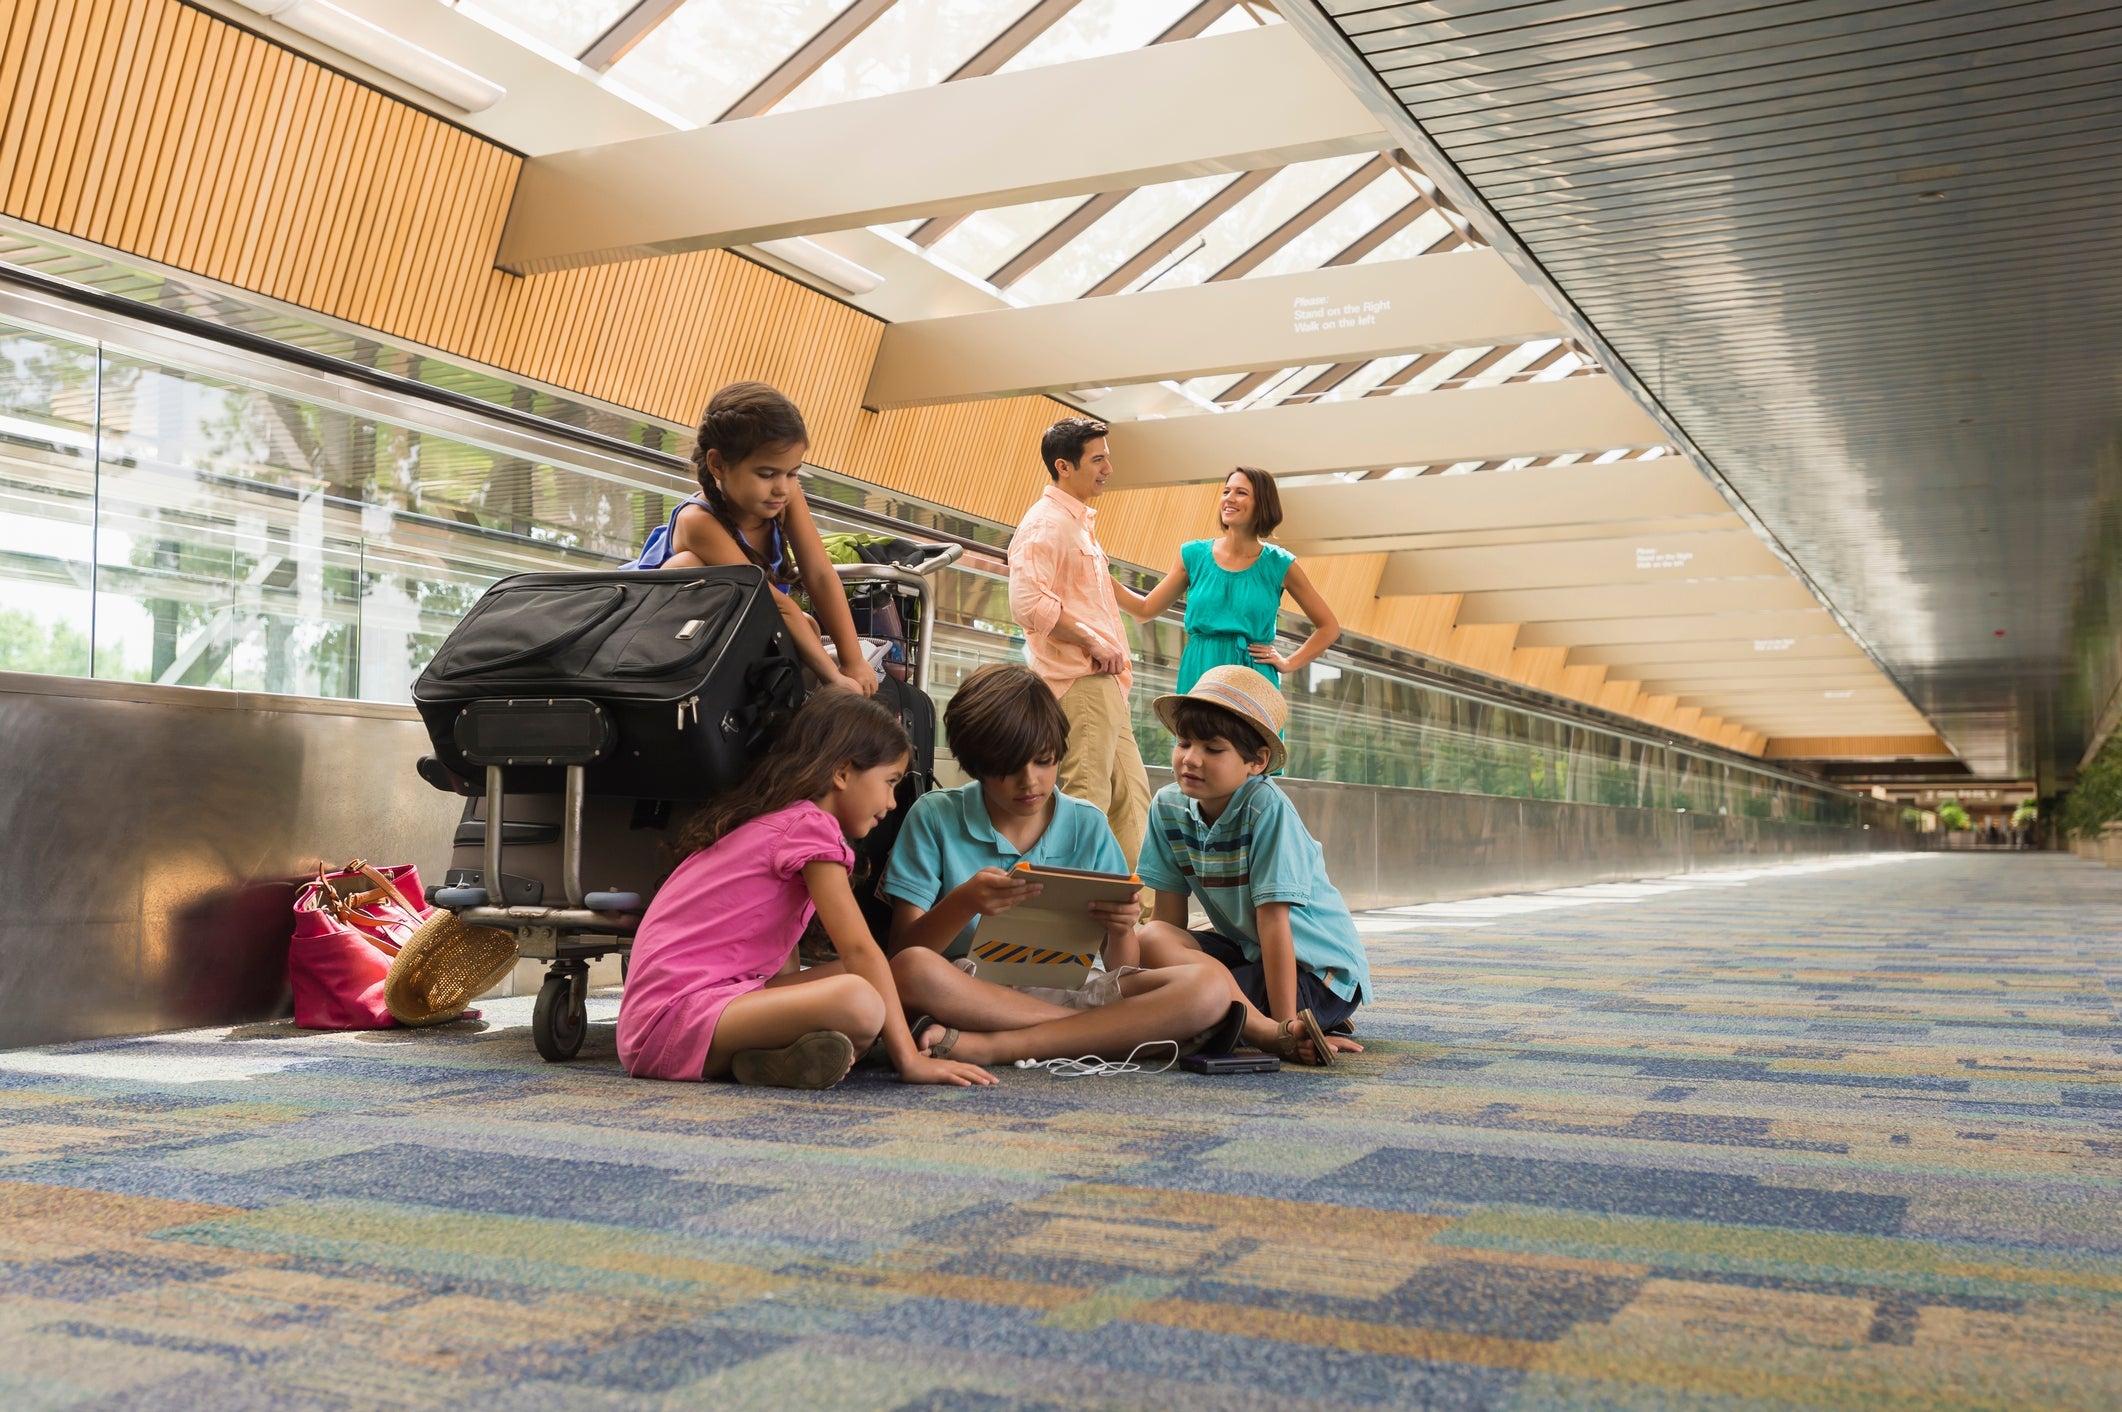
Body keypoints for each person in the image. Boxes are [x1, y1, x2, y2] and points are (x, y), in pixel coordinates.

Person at [616, 692, 992, 1090]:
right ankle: (797, 1051)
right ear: (843, 773)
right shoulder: (812, 827)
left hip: (683, 1016)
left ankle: (765, 1059)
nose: (892, 802)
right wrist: (910, 1062)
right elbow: (860, 951)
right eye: (889, 782)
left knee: (882, 981)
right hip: (671, 1022)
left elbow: (780, 960)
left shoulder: (783, 822)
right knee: (861, 1000)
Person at [880, 664, 1230, 1065]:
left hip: (1075, 987)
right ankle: (1104, 1033)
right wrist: (964, 903)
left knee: (1211, 986)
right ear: (974, 765)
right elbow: (902, 953)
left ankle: (1000, 1046)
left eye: (1044, 761)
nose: (1030, 782)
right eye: (1008, 770)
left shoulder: (1087, 823)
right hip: (972, 992)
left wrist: (1119, 931)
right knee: (910, 970)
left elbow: (1123, 966)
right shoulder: (934, 816)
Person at [1134, 666, 1369, 1067]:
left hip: (1314, 972)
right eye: (1183, 742)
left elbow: (1275, 926)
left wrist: (1287, 1026)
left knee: (1190, 1008)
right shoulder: (1168, 806)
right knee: (1151, 938)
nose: (1190, 759)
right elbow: (1168, 923)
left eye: (1212, 748)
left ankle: (1282, 1024)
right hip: (1249, 953)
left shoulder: (1266, 809)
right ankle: (1242, 1016)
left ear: (1257, 762)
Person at [626, 380, 876, 696]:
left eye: (793, 472)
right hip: (662, 637)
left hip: (745, 628)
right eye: (766, 474)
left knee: (806, 626)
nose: (782, 487)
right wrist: (836, 678)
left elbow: (819, 573)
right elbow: (774, 602)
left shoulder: (784, 497)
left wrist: (854, 661)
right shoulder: (697, 521)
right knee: (686, 564)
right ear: (718, 464)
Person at [1008, 417, 1151, 868]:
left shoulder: (1079, 525)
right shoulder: (1046, 524)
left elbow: (1105, 596)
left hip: (1106, 685)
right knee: (1087, 802)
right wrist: (1094, 641)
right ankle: (1073, 927)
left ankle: (1132, 921)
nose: (1109, 466)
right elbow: (1028, 602)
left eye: (1107, 455)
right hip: (1079, 683)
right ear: (1064, 466)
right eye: (1098, 458)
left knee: (1132, 801)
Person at [1114, 466, 1340, 695]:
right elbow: (1144, 610)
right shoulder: (1193, 555)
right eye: (1226, 491)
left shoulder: (1279, 564)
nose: (1229, 499)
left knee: (1250, 733)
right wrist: (1097, 569)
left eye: (1241, 492)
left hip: (1254, 678)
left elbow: (1329, 627)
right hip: (1200, 672)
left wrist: (1289, 663)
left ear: (1262, 504)